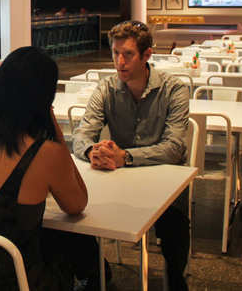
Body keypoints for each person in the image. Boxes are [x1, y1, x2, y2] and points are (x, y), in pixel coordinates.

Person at [0, 46, 101, 291]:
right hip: (21, 282)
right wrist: (58, 137)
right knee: (87, 253)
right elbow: (77, 204)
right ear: (44, 98)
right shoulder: (44, 154)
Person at [72, 21, 190, 291]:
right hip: (118, 175)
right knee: (74, 212)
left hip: (163, 177)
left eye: (128, 54)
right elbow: (81, 135)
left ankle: (175, 277)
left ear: (147, 55)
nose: (120, 62)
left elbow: (174, 148)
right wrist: (93, 151)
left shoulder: (174, 89)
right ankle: (95, 272)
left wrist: (124, 157)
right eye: (115, 53)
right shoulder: (106, 88)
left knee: (175, 221)